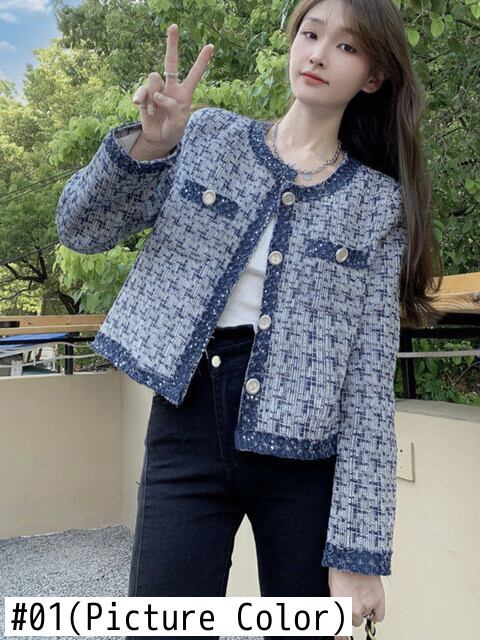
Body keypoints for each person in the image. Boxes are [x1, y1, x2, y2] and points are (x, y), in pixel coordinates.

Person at [56, 0, 442, 638]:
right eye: (311, 34)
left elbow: (370, 384)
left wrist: (359, 556)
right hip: (187, 421)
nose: (319, 54)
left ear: (374, 76)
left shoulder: (377, 204)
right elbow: (81, 228)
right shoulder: (209, 136)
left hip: (306, 452)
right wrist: (152, 143)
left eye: (347, 46)